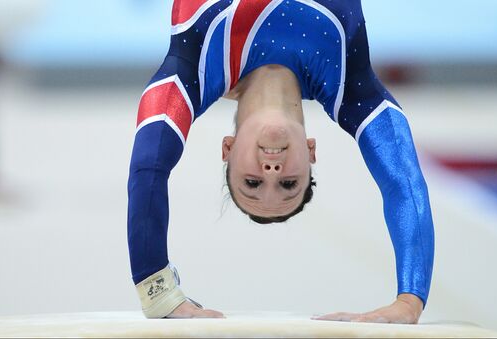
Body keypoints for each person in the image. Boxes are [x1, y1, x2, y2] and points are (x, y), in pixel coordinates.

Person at [128, 0, 434, 324]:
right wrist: (409, 301)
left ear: (228, 149)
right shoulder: (351, 86)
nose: (271, 172)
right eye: (289, 184)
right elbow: (404, 184)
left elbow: (148, 170)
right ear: (311, 151)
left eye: (252, 183)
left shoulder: (193, 69)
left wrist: (157, 292)